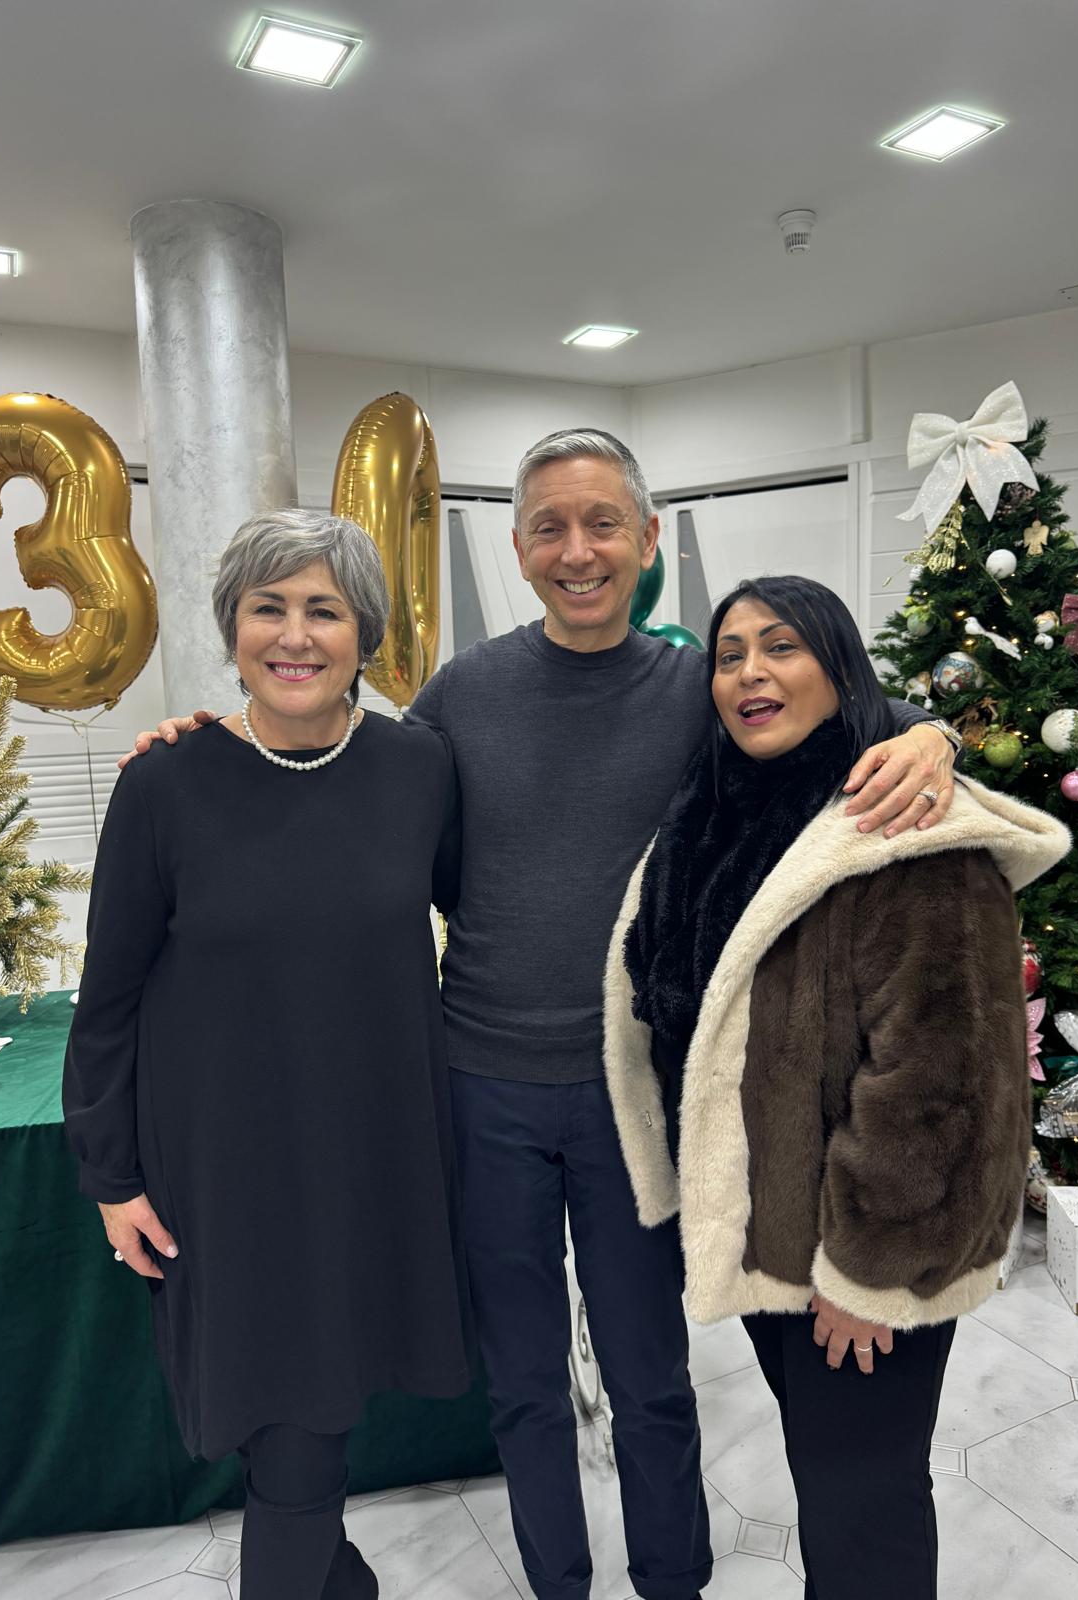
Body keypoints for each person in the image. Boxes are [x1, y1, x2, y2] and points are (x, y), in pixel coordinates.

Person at [128, 430, 960, 1600]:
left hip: (632, 1094)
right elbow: (342, 780)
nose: (578, 551)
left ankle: (671, 1577)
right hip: (480, 1091)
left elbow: (838, 712)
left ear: (646, 539)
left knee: (650, 1375)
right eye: (550, 528)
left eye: (602, 523)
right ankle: (556, 1581)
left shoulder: (697, 689)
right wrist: (195, 746)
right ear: (518, 548)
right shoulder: (461, 697)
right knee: (522, 1382)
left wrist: (935, 732)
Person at [605, 575, 1070, 1600]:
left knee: (863, 1503)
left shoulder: (908, 825)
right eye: (730, 654)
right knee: (837, 1477)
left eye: (782, 646)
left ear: (842, 668)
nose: (751, 673)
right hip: (779, 1233)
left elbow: (944, 1084)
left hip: (864, 1247)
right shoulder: (718, 809)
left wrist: (872, 1272)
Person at [65, 509, 472, 1600]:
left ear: (364, 633)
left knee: (304, 1424)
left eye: (324, 610)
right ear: (232, 629)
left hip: (369, 1150)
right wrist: (110, 1178)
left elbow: (489, 915)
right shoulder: (164, 783)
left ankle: (334, 1580)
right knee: (281, 1421)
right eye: (268, 608)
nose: (295, 636)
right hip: (222, 1169)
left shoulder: (419, 769)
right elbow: (106, 1002)